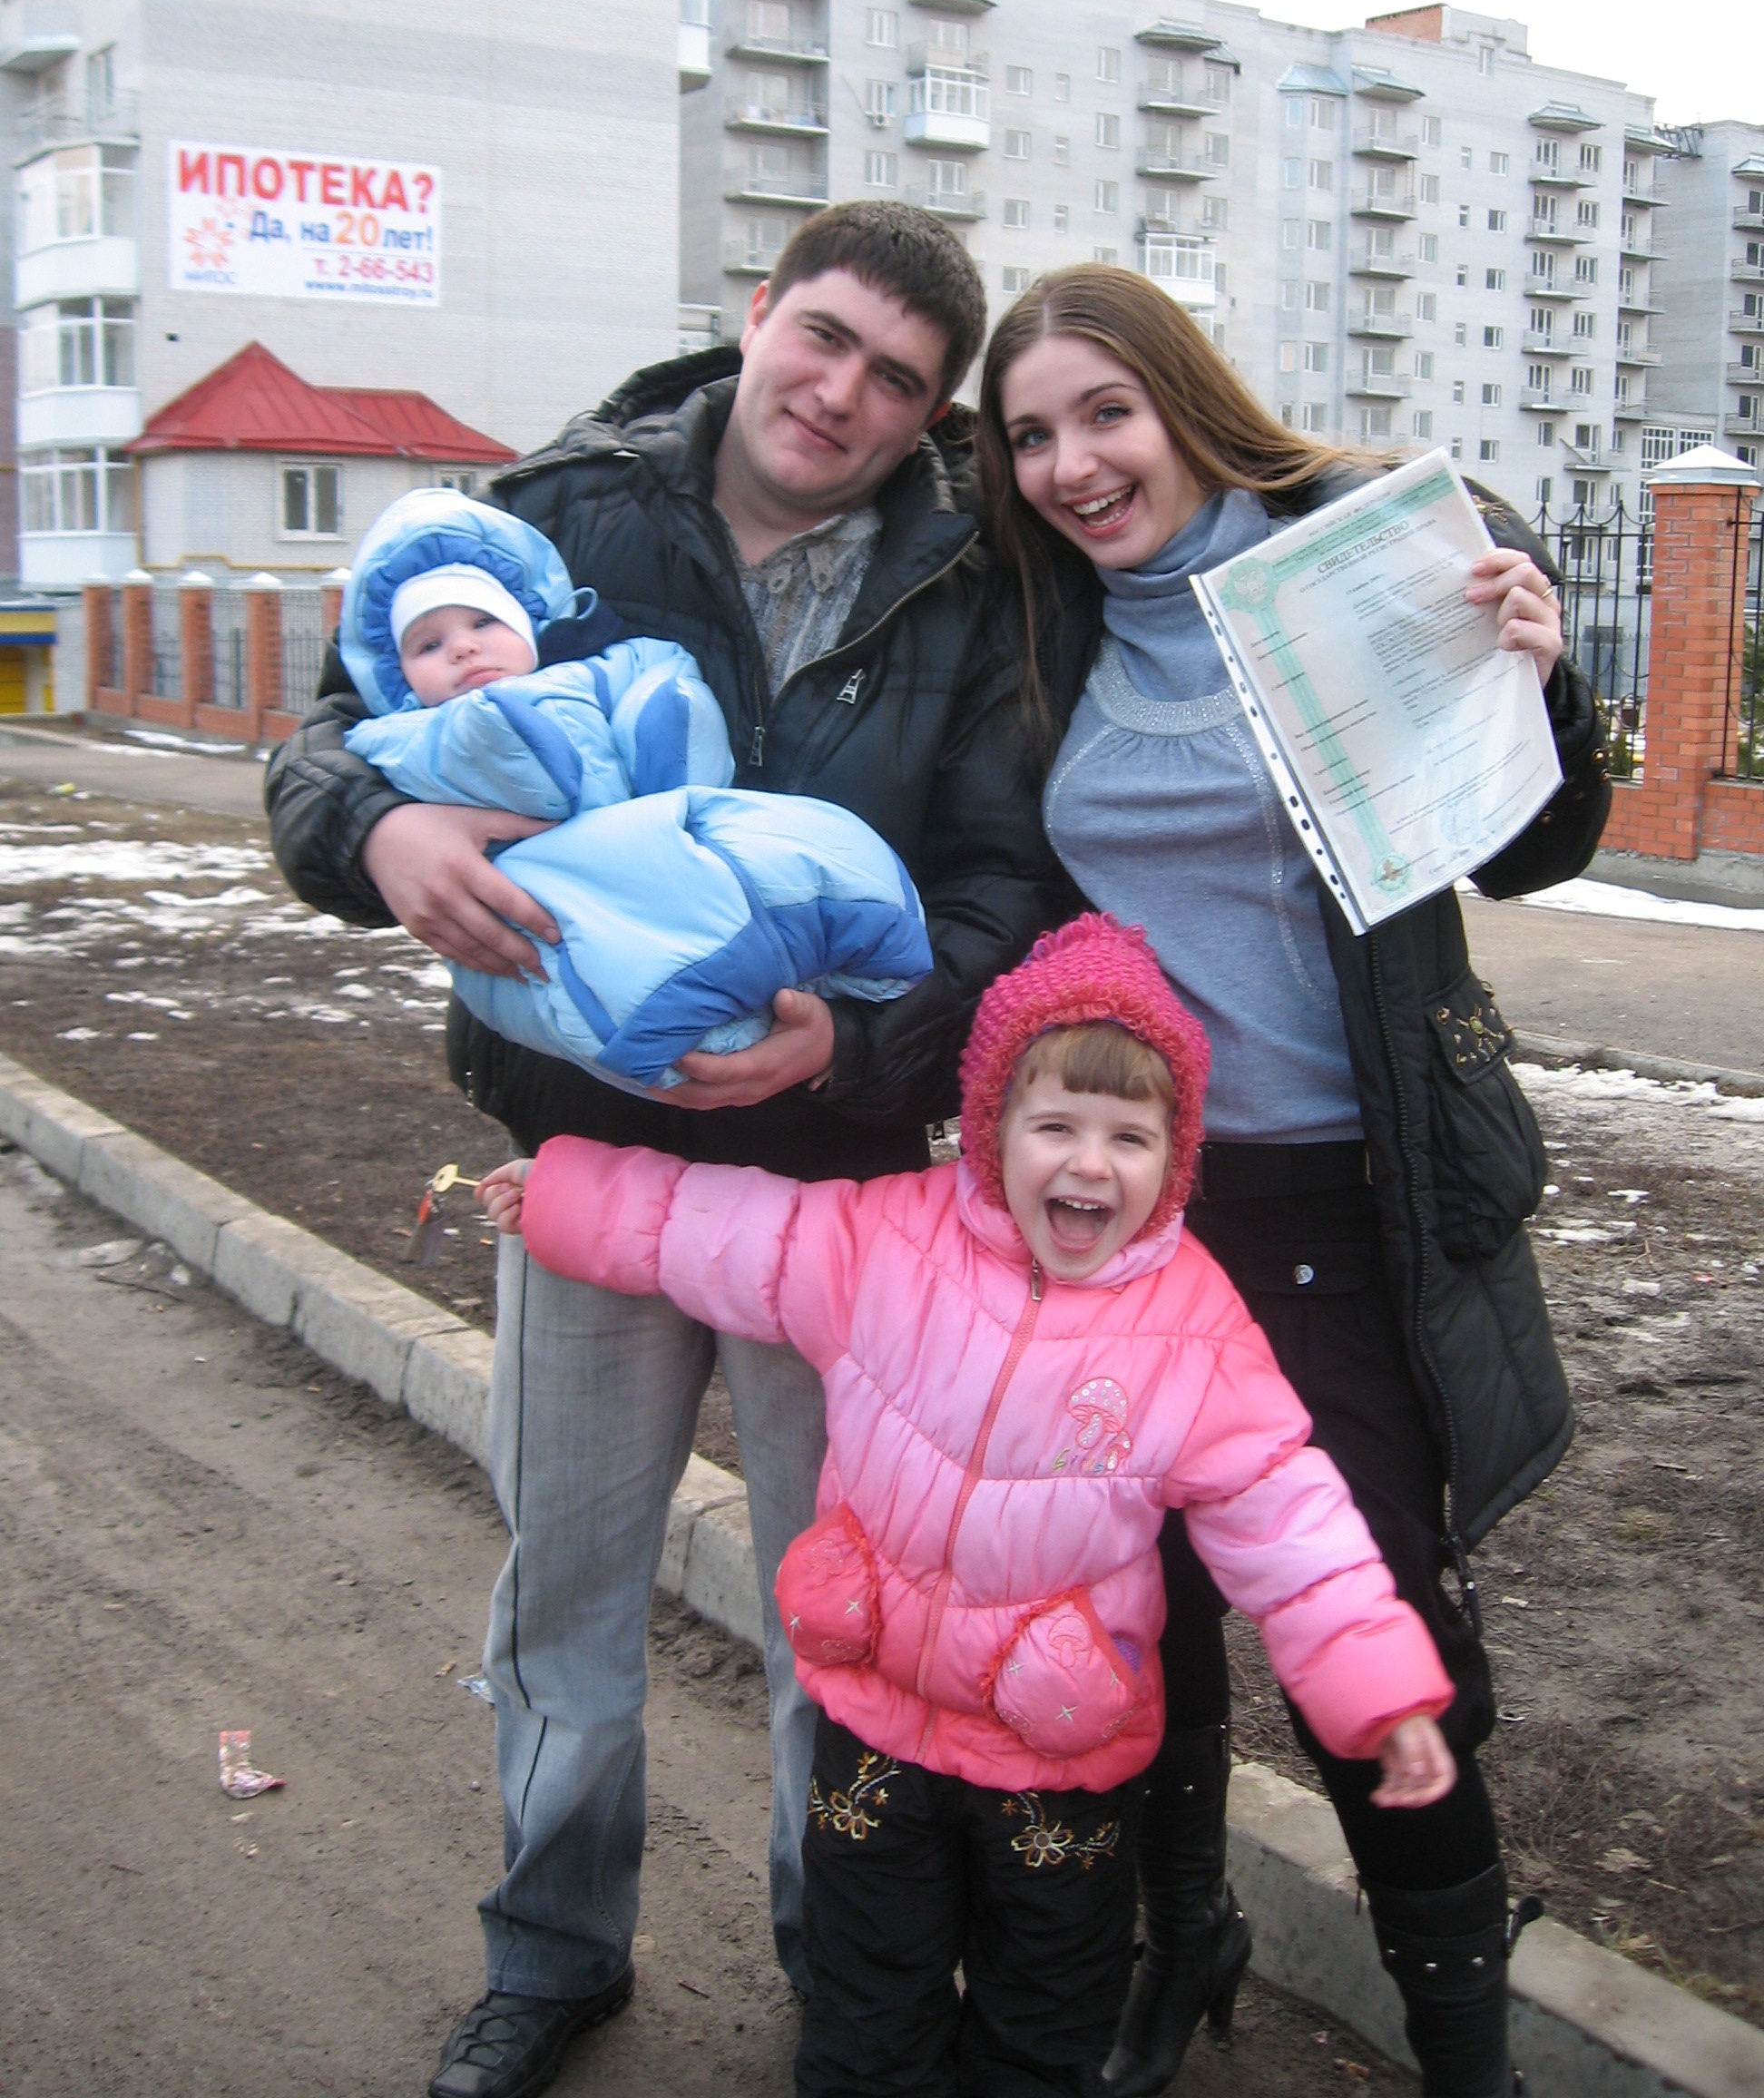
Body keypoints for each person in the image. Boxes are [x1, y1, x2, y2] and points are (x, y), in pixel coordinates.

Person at [264, 201, 1089, 2098]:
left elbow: (1000, 881)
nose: (843, 394)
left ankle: (839, 1968)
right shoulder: (564, 510)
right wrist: (379, 834)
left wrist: (853, 1041)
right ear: (759, 313)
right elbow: (328, 738)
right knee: (566, 1584)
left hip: (841, 1184)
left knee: (835, 1609)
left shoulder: (975, 578)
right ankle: (551, 1953)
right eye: (824, 338)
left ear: (934, 411)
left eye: (899, 379)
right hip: (585, 1170)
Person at [473, 914, 1460, 2098]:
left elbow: (1296, 1530)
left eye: (1131, 1137)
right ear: (992, 1127)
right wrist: (564, 1192)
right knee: (864, 2009)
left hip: (1057, 1763)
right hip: (876, 1730)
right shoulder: (884, 1239)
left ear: (1178, 1155)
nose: (1090, 1165)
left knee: (1041, 2029)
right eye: (1056, 1126)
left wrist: (1381, 1694)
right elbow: (723, 1229)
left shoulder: (1196, 1337)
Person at [974, 265, 1612, 2098]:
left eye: (1105, 412)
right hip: (1131, 1217)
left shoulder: (1357, 562)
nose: (1074, 465)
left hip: (1338, 1197)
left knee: (1369, 1628)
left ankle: (1464, 2053)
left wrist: (1538, 680)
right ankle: (1187, 1939)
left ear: (1183, 398)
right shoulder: (1051, 626)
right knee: (1136, 1614)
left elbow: (1536, 851)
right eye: (1031, 435)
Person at [334, 488, 934, 1091]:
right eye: (429, 645)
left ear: (529, 621)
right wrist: (379, 824)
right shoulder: (400, 738)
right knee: (607, 973)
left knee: (802, 851)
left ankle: (851, 947)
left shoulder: (597, 671)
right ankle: (706, 1030)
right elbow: (336, 765)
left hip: (658, 838)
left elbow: (667, 691)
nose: (463, 647)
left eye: (483, 622)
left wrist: (666, 731)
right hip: (535, 905)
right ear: (397, 675)